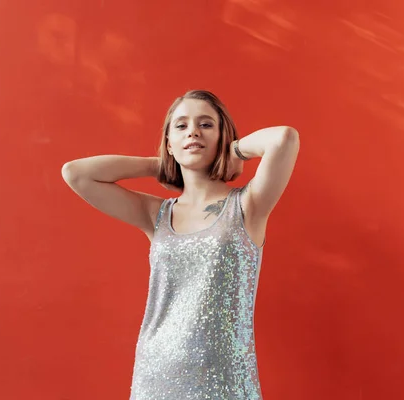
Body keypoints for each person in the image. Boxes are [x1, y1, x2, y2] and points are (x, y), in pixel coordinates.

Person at [61, 89, 300, 399]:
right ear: (169, 142)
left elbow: (284, 138)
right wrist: (159, 163)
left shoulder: (247, 207)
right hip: (156, 376)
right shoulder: (156, 214)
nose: (193, 132)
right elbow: (76, 174)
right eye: (181, 126)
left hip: (226, 381)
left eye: (206, 124)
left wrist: (235, 150)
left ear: (222, 137)